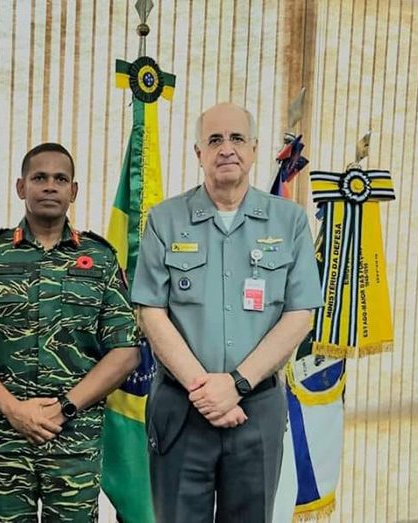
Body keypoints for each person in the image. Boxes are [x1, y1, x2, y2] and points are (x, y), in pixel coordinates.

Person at [132, 103, 323, 522]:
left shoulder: (289, 221)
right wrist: (206, 391)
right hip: (182, 410)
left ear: (254, 149)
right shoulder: (164, 220)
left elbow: (299, 315)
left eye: (237, 138)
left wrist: (236, 384)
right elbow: (151, 313)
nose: (226, 149)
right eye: (214, 140)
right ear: (198, 152)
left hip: (256, 409)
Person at [0, 143, 140, 522]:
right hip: (3, 435)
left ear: (74, 191)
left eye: (60, 179)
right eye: (39, 178)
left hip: (74, 434)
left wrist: (64, 407)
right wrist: (14, 410)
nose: (50, 186)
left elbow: (126, 351)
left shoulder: (100, 258)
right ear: (21, 187)